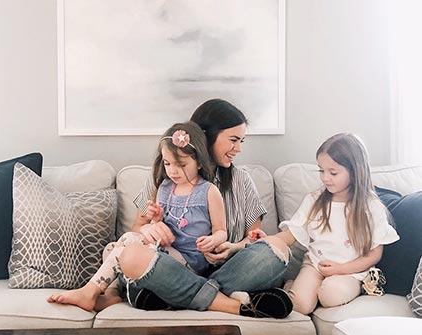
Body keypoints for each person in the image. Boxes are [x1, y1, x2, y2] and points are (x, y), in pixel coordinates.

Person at [114, 98, 293, 319]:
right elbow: (136, 229)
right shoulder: (164, 177)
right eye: (233, 140)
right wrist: (149, 229)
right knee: (132, 256)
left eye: (241, 141)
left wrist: (233, 248)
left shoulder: (242, 181)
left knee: (277, 247)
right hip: (174, 263)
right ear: (206, 137)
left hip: (227, 272)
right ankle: (229, 304)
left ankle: (172, 294)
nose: (237, 149)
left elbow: (253, 239)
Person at [48, 120, 227, 310]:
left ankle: (88, 292)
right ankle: (111, 295)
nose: (173, 171)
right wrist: (156, 219)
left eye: (181, 164)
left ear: (199, 161)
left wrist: (214, 240)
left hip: (189, 264)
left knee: (128, 240)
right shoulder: (165, 188)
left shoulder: (209, 191)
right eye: (167, 163)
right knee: (111, 248)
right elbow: (160, 227)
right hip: (163, 254)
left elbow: (222, 231)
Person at [249, 133, 399, 315]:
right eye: (321, 170)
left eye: (333, 172)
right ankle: (292, 286)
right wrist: (269, 240)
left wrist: (341, 269)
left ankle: (328, 288)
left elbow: (375, 254)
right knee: (301, 306)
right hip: (315, 265)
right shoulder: (314, 201)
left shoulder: (371, 207)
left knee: (330, 296)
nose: (325, 178)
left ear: (355, 171)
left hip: (349, 271)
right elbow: (291, 235)